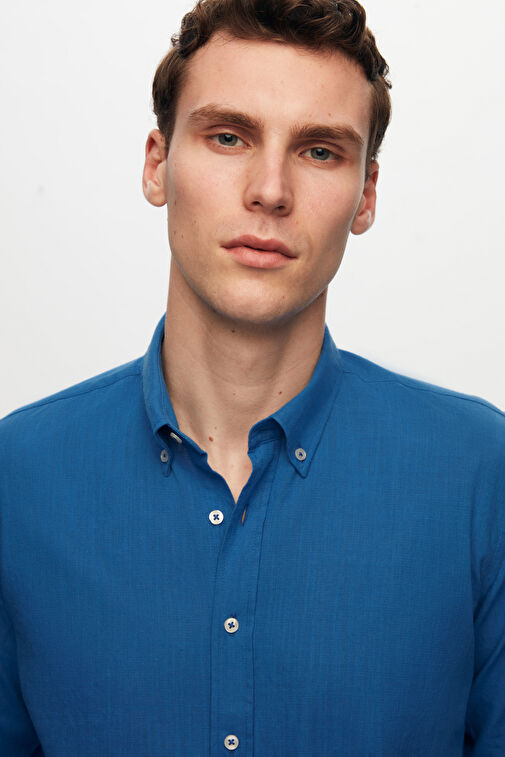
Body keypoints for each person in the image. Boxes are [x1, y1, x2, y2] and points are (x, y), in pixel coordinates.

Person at [0, 0, 503, 754]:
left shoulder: (480, 474)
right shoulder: (18, 477)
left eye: (319, 151)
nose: (270, 189)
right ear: (157, 164)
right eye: (228, 136)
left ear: (366, 194)